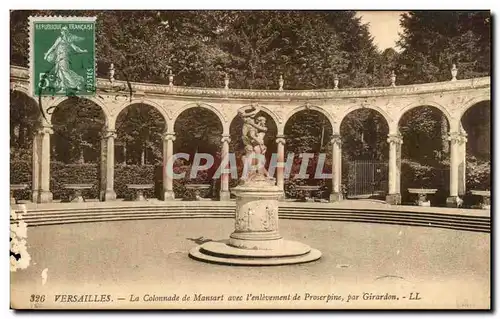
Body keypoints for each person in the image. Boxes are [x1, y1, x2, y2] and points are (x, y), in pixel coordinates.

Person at [43, 26, 87, 93]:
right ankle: (63, 88)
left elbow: (75, 48)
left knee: (65, 71)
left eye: (64, 31)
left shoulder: (68, 40)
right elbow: (54, 47)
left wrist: (82, 51)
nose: (63, 32)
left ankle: (77, 83)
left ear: (66, 32)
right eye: (62, 30)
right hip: (58, 58)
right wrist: (47, 54)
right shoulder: (60, 39)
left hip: (64, 58)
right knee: (60, 72)